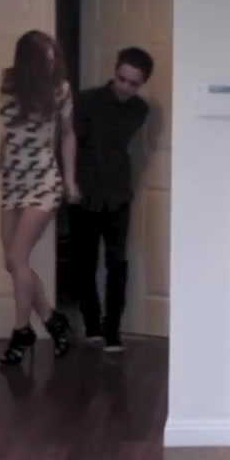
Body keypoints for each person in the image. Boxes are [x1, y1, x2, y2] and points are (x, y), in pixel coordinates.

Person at [0, 30, 80, 365]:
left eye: (54, 57)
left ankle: (21, 330)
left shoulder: (59, 90)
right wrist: (0, 159)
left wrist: (70, 180)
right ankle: (54, 321)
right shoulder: (9, 85)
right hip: (13, 181)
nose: (52, 63)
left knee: (17, 257)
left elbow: (67, 134)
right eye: (46, 58)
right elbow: (9, 129)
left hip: (43, 181)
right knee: (13, 262)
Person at [70, 46, 154, 352]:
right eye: (122, 79)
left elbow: (113, 144)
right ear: (115, 72)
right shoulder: (86, 101)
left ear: (142, 83)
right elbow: (72, 143)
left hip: (118, 193)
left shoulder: (140, 110)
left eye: (134, 83)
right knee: (84, 262)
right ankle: (91, 324)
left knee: (118, 262)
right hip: (84, 190)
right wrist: (71, 183)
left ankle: (113, 328)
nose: (126, 87)